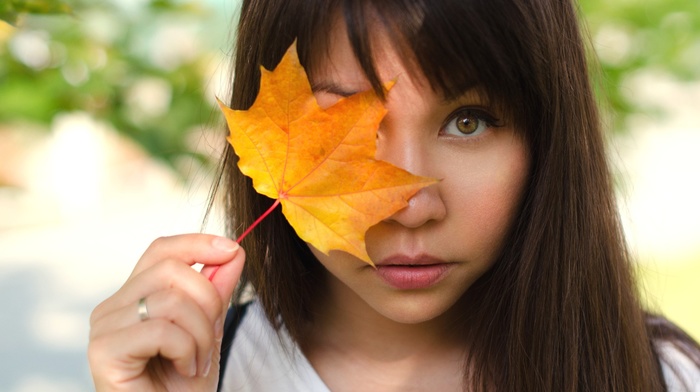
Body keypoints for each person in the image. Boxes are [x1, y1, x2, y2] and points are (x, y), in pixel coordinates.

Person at [88, 0, 700, 390]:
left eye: (469, 121)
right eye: (350, 128)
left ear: (547, 141)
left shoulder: (661, 377)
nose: (409, 205)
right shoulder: (196, 374)